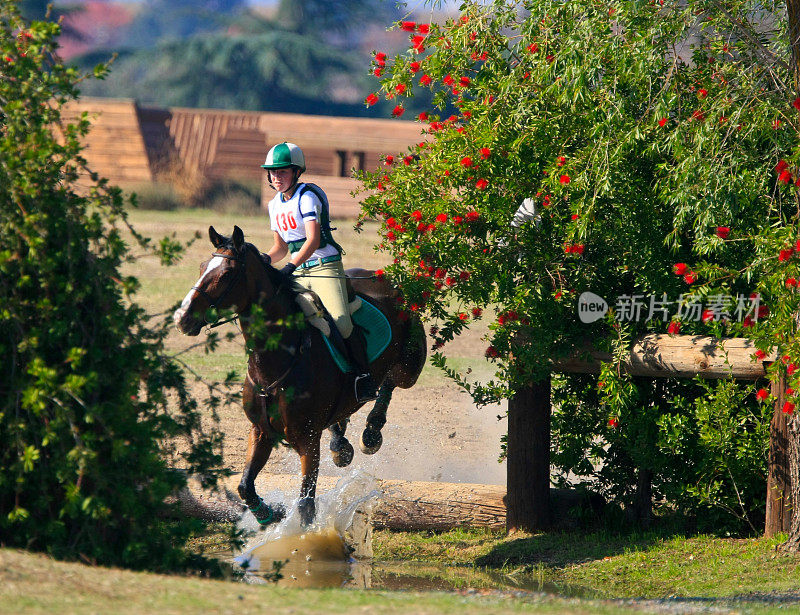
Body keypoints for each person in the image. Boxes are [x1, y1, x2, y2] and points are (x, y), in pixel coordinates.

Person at [259, 142, 378, 403]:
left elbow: (312, 241)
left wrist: (290, 266)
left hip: (325, 266)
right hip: (299, 270)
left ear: (296, 172)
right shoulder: (274, 206)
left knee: (341, 322)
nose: (277, 177)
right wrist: (265, 258)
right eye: (273, 172)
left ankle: (364, 377)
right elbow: (280, 247)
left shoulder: (307, 197)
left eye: (283, 172)